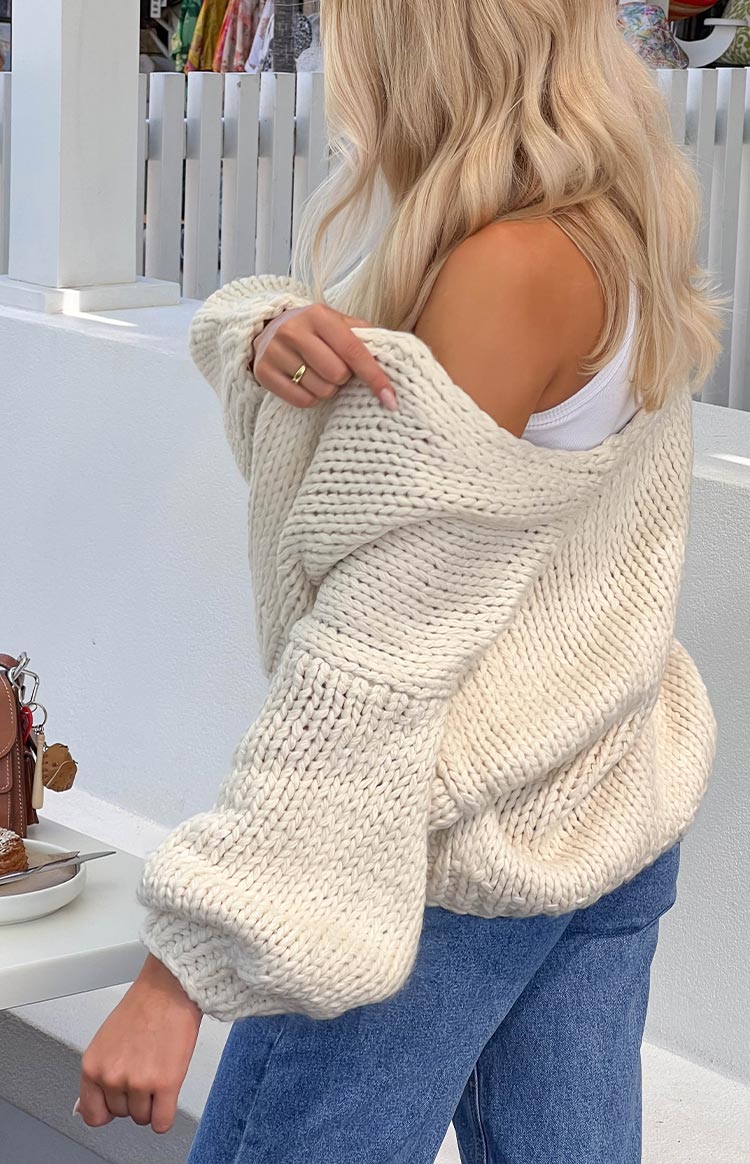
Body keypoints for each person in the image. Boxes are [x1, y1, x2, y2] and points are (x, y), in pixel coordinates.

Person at [75, 2, 725, 1161]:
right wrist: (267, 330)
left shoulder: (505, 267)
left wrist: (179, 972)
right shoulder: (618, 223)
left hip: (442, 863)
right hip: (600, 804)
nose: (337, 53)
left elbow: (374, 657)